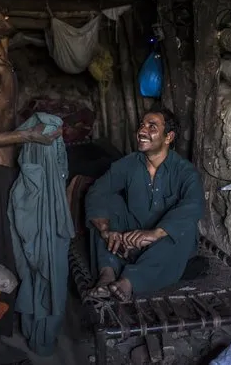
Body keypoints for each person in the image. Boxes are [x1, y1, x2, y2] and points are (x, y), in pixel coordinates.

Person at [0, 0, 62, 337]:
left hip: (3, 172)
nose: (7, 15)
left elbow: (0, 122)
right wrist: (27, 136)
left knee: (11, 251)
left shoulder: (6, 68)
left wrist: (30, 131)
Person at [85, 105, 205, 301]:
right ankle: (107, 274)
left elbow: (194, 204)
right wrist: (106, 230)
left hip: (163, 244)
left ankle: (129, 281)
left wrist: (155, 233)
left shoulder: (184, 171)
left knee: (185, 229)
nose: (142, 131)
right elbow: (98, 191)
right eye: (142, 125)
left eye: (152, 127)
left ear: (168, 137)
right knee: (106, 205)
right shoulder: (129, 163)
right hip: (131, 235)